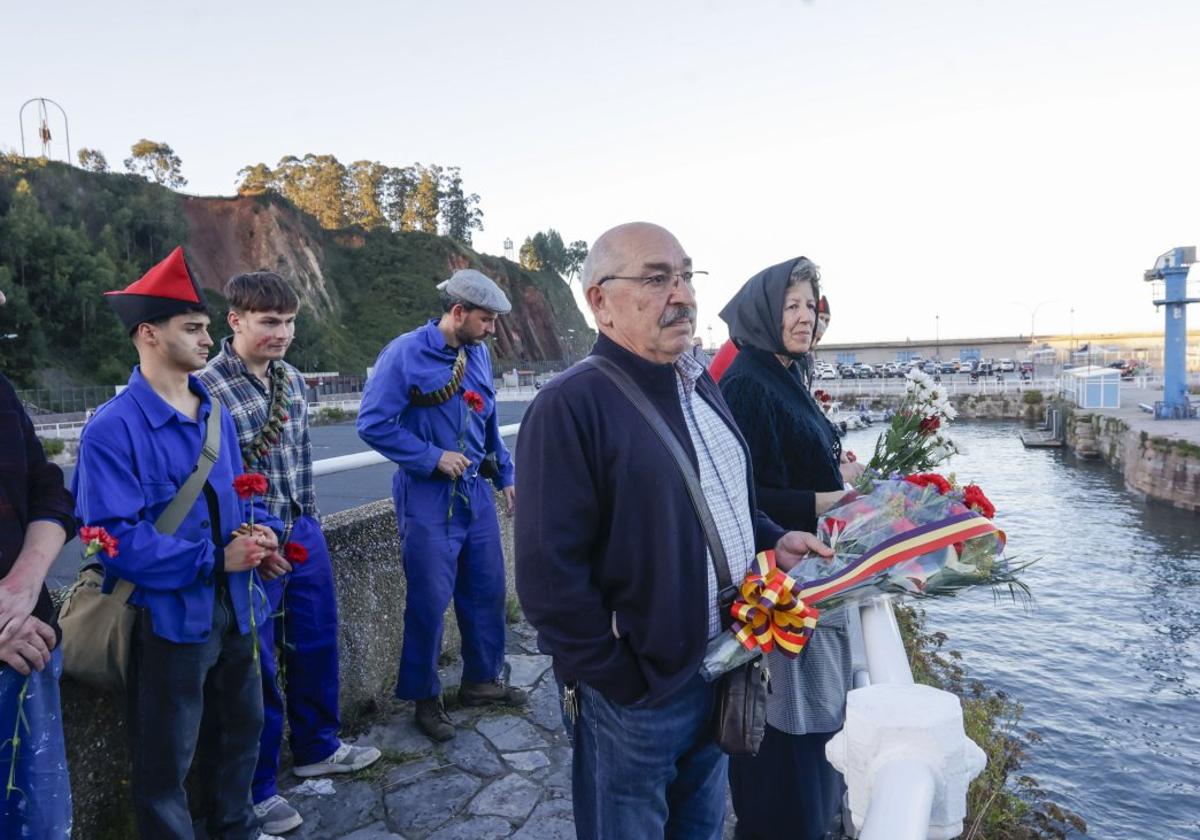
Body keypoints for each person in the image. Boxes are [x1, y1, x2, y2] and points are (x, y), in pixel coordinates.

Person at [514, 222, 833, 839]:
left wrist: (772, 537)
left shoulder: (699, 382)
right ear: (600, 302)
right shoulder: (569, 406)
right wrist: (621, 678)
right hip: (640, 694)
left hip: (720, 664)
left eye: (686, 275)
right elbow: (550, 581)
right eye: (656, 278)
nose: (681, 294)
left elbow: (724, 499)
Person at [72, 247, 287, 840]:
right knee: (165, 765)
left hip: (239, 609)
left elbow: (242, 497)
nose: (205, 338)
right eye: (191, 328)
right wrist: (214, 558)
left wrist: (261, 530)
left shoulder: (212, 410)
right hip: (167, 620)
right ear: (148, 334)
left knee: (241, 735)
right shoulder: (112, 428)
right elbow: (107, 539)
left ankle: (236, 830)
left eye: (205, 327)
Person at [200, 271, 380, 835]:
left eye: (289, 322)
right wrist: (245, 539)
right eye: (269, 321)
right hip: (248, 538)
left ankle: (318, 746)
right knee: (253, 663)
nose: (282, 333)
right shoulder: (206, 387)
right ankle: (255, 788)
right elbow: (210, 479)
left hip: (300, 524)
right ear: (236, 320)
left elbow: (298, 458)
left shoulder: (293, 380)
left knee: (317, 637)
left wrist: (311, 524)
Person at [717, 256, 865, 840]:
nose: (806, 317)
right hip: (780, 576)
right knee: (785, 725)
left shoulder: (786, 373)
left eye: (810, 305)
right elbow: (745, 494)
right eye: (792, 306)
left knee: (812, 725)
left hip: (805, 566)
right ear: (763, 312)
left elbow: (798, 456)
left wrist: (838, 471)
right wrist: (826, 501)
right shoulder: (748, 383)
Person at [357, 269, 523, 743]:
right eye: (486, 320)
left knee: (487, 587)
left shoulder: (479, 354)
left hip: (475, 490)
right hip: (427, 493)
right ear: (458, 313)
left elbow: (488, 419)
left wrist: (505, 474)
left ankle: (480, 680)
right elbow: (372, 423)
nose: (492, 329)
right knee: (429, 600)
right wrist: (431, 457)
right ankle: (425, 698)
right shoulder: (404, 354)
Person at [0, 286, 74, 838]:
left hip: (28, 650)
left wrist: (24, 583)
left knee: (40, 825)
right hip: (15, 637)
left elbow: (48, 490)